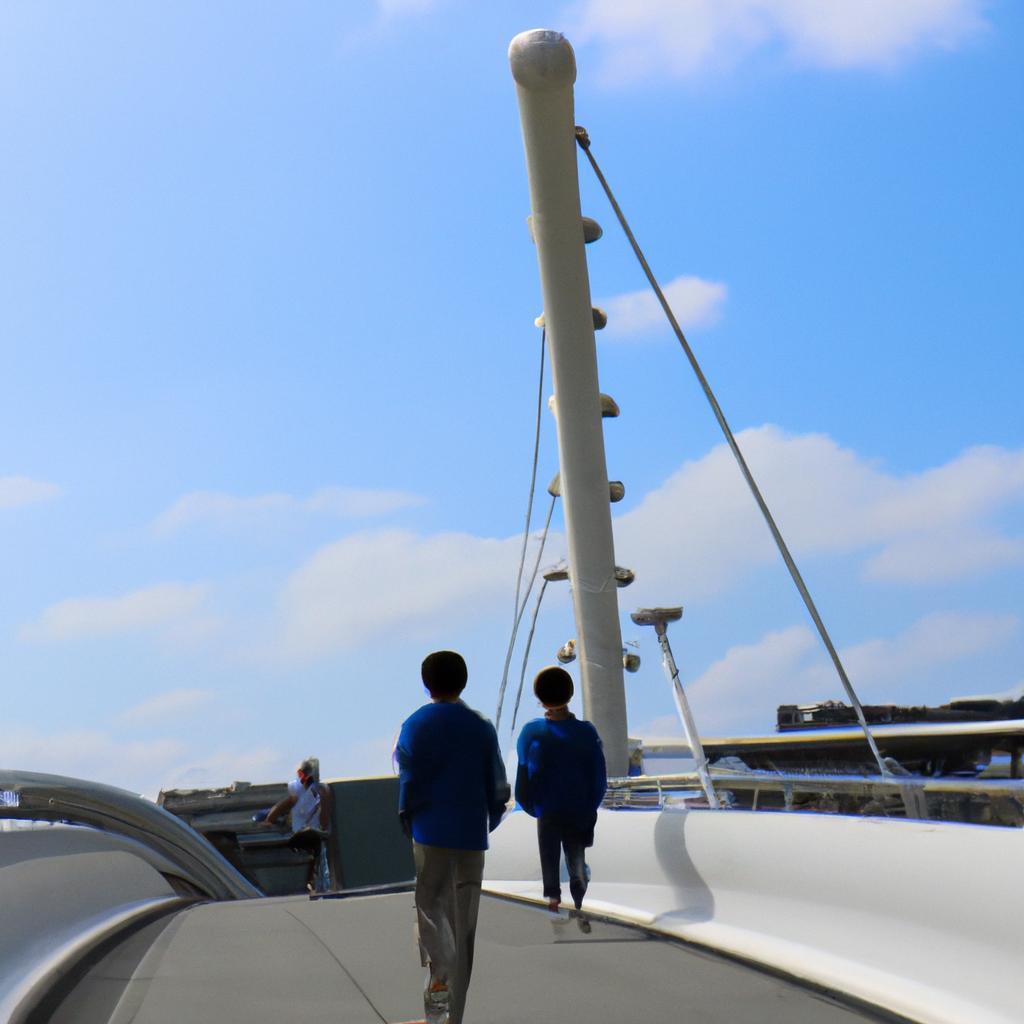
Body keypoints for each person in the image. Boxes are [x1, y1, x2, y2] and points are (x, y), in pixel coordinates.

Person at [396, 650, 510, 1024]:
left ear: (426, 683)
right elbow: (498, 786)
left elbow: (409, 783)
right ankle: (454, 1018)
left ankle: (437, 1015)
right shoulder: (480, 727)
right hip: (471, 837)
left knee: (433, 926)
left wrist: (409, 820)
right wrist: (485, 822)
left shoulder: (415, 725)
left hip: (430, 834)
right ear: (464, 681)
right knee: (463, 932)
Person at [515, 666, 606, 922]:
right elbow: (598, 776)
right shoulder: (587, 732)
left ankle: (553, 897)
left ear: (540, 698)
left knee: (549, 852)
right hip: (579, 808)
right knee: (576, 852)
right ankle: (579, 894)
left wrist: (531, 806)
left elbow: (523, 776)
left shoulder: (531, 733)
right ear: (569, 693)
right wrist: (591, 805)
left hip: (547, 809)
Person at [264, 758, 332, 893]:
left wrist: (324, 802)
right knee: (312, 846)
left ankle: (314, 881)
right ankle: (310, 881)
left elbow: (324, 821)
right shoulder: (297, 790)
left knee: (317, 847)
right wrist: (269, 820)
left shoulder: (320, 792)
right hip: (301, 834)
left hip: (313, 834)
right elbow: (284, 805)